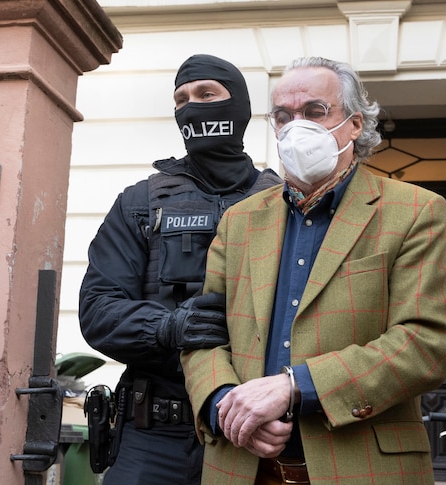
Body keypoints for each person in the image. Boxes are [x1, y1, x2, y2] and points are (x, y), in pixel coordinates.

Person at [181, 56, 446, 485]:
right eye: (283, 116)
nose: (297, 127)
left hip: (364, 467)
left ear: (354, 124)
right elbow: (204, 333)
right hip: (244, 467)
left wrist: (296, 386)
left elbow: (425, 343)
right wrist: (227, 407)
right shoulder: (239, 220)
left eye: (314, 111)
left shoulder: (414, 210)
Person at [79, 54, 282, 484]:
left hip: (254, 429)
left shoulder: (285, 201)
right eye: (181, 99)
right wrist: (167, 327)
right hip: (155, 434)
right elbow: (97, 310)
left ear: (240, 108)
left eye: (207, 94)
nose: (192, 107)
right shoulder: (140, 202)